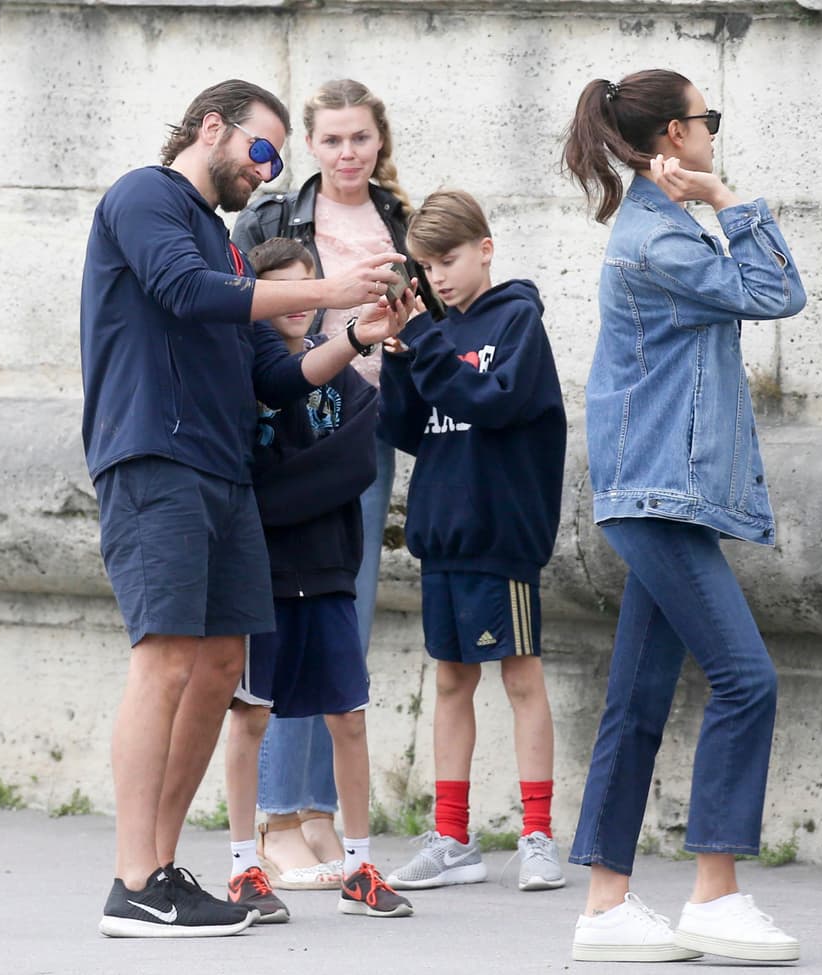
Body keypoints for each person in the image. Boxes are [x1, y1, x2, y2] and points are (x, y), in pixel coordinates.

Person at [80, 79, 411, 938]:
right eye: (263, 152)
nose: (268, 174)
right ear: (213, 128)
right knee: (165, 657)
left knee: (224, 662)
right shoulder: (144, 197)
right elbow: (187, 294)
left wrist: (355, 337)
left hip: (223, 472)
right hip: (157, 454)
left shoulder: (228, 246)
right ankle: (133, 875)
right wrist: (332, 288)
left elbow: (270, 374)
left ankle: (158, 868)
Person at [561, 69, 807, 963]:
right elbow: (779, 293)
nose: (715, 132)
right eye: (709, 121)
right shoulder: (658, 241)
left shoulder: (661, 227)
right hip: (657, 493)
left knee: (634, 699)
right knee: (747, 679)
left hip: (668, 491)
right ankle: (715, 891)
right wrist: (731, 199)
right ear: (675, 133)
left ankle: (604, 907)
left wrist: (709, 202)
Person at [231, 79, 434, 887]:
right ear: (312, 147)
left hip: (365, 424)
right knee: (281, 612)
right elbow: (243, 306)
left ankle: (318, 813)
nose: (349, 152)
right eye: (334, 139)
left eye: (362, 138)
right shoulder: (276, 217)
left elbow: (429, 318)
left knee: (338, 612)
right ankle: (277, 815)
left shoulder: (401, 222)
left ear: (380, 141)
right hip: (287, 421)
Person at [377, 190, 568, 894]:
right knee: (452, 679)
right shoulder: (431, 332)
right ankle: (454, 838)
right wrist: (399, 355)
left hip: (501, 535)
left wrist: (424, 340)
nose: (440, 277)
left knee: (521, 676)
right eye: (426, 266)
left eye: (449, 260)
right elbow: (404, 429)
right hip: (442, 537)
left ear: (485, 248)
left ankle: (538, 833)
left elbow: (494, 402)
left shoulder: (517, 320)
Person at [222, 237, 413, 921]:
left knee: (349, 717)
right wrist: (300, 481)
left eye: (311, 286)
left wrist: (283, 485)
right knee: (251, 717)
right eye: (285, 290)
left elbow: (356, 463)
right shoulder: (247, 374)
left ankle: (360, 862)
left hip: (331, 570)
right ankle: (246, 864)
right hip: (266, 576)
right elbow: (261, 479)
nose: (300, 303)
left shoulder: (345, 383)